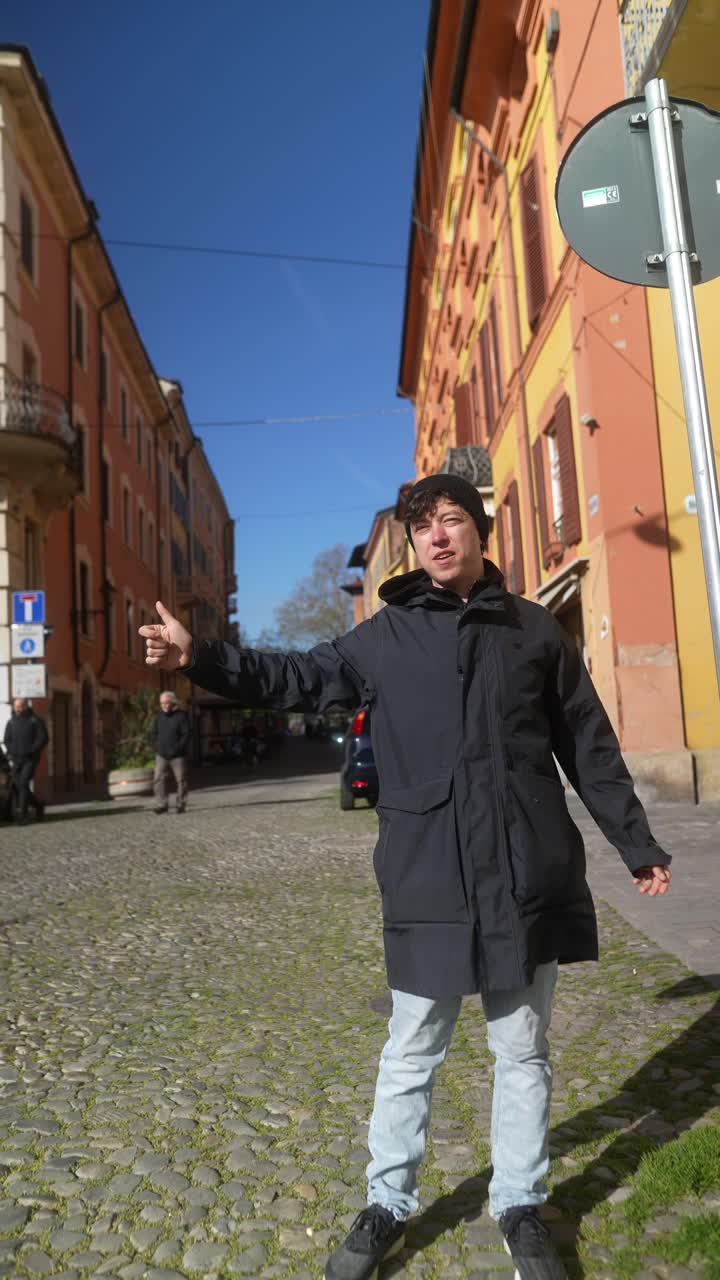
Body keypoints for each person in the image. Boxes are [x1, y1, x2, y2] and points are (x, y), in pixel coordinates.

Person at [139, 473, 671, 1280]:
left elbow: (588, 745)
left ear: (480, 533)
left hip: (527, 873)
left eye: (452, 520)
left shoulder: (534, 632)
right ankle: (387, 1201)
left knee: (522, 1049)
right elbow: (296, 677)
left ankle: (521, 1202)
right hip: (430, 875)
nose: (437, 536)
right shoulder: (384, 638)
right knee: (411, 1049)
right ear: (415, 544)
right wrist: (200, 656)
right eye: (424, 526)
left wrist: (637, 843)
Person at [4, 696, 48, 824]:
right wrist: (11, 751)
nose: (17, 709)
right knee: (19, 786)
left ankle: (23, 815)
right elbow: (7, 739)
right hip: (16, 759)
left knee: (23, 783)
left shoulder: (35, 720)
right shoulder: (11, 721)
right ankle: (38, 805)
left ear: (25, 706)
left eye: (19, 706)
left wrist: (31, 750)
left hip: (30, 759)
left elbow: (43, 738)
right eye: (15, 706)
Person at [152, 690, 191, 814]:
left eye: (166, 703)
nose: (164, 705)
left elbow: (186, 734)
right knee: (158, 779)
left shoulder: (182, 716)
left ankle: (181, 804)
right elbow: (154, 733)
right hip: (161, 755)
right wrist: (158, 747)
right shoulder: (158, 716)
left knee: (181, 780)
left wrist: (178, 748)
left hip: (178, 755)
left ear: (172, 702)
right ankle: (162, 804)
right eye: (162, 703)